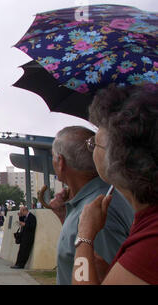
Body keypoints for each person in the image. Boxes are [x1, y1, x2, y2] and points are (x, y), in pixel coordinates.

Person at [72, 84, 158, 285]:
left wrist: (84, 237)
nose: (91, 149)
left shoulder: (151, 242)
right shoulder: (148, 221)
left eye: (94, 143)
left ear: (120, 161)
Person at [46, 126, 134, 284]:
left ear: (60, 162)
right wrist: (64, 217)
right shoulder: (91, 203)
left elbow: (95, 274)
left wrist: (86, 235)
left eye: (53, 157)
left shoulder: (100, 210)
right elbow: (78, 255)